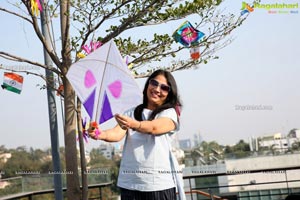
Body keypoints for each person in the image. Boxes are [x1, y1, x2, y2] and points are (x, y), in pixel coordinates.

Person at [88, 69, 184, 200]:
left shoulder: (169, 113)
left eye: (164, 87)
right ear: (147, 85)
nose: (157, 89)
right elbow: (116, 133)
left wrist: (134, 124)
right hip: (130, 184)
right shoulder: (132, 111)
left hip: (158, 185)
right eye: (154, 83)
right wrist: (99, 134)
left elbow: (154, 128)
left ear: (169, 93)